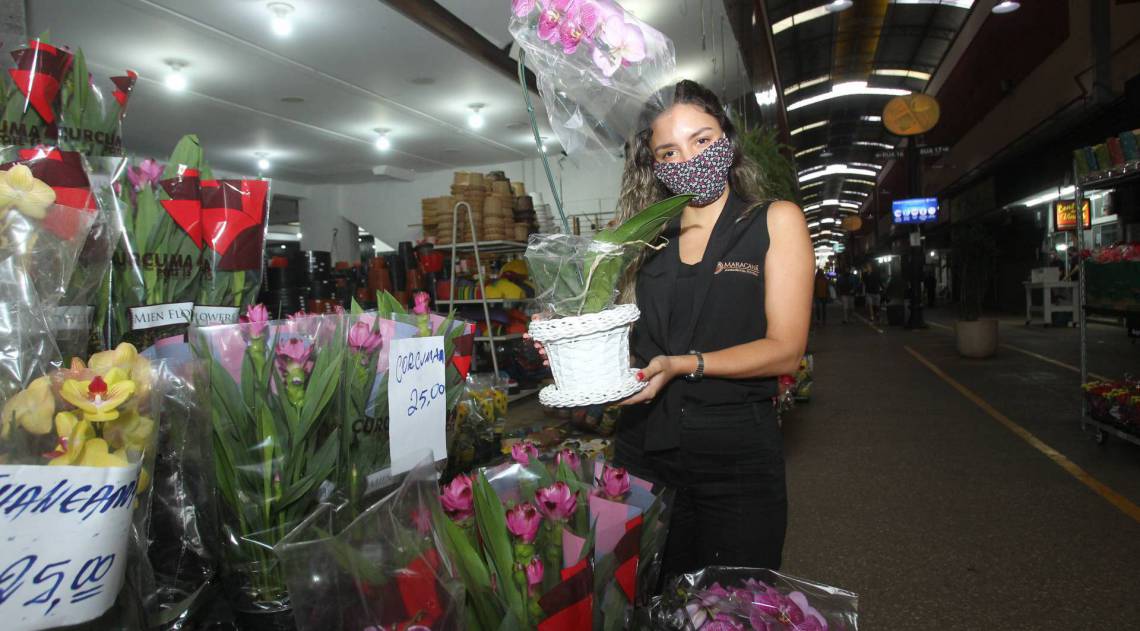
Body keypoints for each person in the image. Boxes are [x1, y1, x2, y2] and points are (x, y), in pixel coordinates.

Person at [609, 80, 813, 578]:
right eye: (669, 151)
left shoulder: (772, 221)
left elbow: (786, 351)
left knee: (733, 603)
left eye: (701, 140)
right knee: (651, 599)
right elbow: (629, 342)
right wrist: (569, 343)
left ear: (727, 137)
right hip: (644, 453)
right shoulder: (646, 240)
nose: (689, 158)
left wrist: (687, 364)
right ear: (653, 166)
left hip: (735, 458)